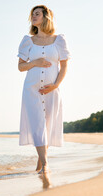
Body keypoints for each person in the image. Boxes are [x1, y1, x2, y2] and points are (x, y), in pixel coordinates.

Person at [17, 5, 71, 174]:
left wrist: (55, 85)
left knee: (47, 127)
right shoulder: (27, 40)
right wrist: (35, 63)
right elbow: (20, 67)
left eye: (37, 14)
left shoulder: (59, 40)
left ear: (46, 17)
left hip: (51, 90)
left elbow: (63, 67)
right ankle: (46, 164)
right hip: (31, 91)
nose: (33, 17)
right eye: (32, 14)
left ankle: (40, 164)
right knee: (38, 126)